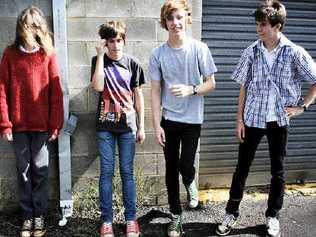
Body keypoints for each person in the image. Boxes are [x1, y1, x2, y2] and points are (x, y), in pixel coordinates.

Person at [216, 1, 316, 237]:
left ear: (277, 26)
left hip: (279, 120)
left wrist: (302, 107)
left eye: (263, 25)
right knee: (241, 169)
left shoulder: (294, 52)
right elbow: (243, 87)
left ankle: (272, 216)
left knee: (277, 171)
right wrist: (239, 120)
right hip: (252, 118)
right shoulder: (251, 51)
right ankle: (231, 212)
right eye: (257, 25)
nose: (258, 29)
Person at [149, 1, 217, 236]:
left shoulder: (200, 49)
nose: (175, 23)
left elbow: (211, 83)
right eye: (170, 19)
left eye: (179, 17)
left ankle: (190, 181)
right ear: (165, 22)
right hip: (169, 119)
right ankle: (176, 216)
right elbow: (155, 91)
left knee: (186, 164)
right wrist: (156, 124)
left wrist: (191, 89)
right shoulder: (157, 54)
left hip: (192, 120)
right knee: (170, 168)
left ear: (187, 18)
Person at [0, 6, 64, 237]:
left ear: (40, 28)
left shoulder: (47, 55)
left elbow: (56, 93)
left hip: (42, 126)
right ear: (21, 28)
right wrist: (5, 123)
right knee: (23, 170)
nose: (31, 30)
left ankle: (40, 215)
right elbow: (2, 90)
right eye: (27, 26)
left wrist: (56, 123)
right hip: (18, 126)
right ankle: (27, 216)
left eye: (36, 26)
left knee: (40, 171)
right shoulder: (10, 54)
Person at [91, 20, 145, 237]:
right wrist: (101, 56)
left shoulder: (133, 63)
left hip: (127, 127)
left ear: (124, 40)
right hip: (104, 126)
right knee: (106, 173)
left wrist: (141, 126)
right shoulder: (99, 61)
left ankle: (131, 219)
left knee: (127, 173)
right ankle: (106, 221)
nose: (115, 45)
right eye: (111, 41)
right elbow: (97, 87)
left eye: (119, 40)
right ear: (106, 43)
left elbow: (139, 97)